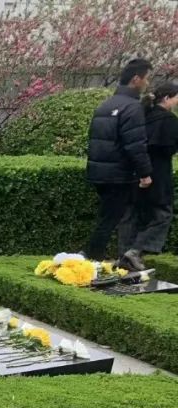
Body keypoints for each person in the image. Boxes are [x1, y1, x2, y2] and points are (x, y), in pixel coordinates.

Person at [85, 58, 154, 266]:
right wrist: (145, 172)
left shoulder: (106, 105)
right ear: (136, 79)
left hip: (100, 172)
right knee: (111, 219)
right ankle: (92, 258)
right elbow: (135, 144)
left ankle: (100, 257)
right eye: (147, 78)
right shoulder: (132, 108)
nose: (148, 83)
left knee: (109, 216)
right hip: (118, 174)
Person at [118, 81, 178, 267]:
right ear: (167, 98)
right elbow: (168, 148)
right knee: (162, 215)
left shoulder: (142, 115)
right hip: (157, 174)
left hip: (134, 171)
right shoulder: (168, 120)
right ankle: (135, 250)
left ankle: (124, 256)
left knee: (131, 214)